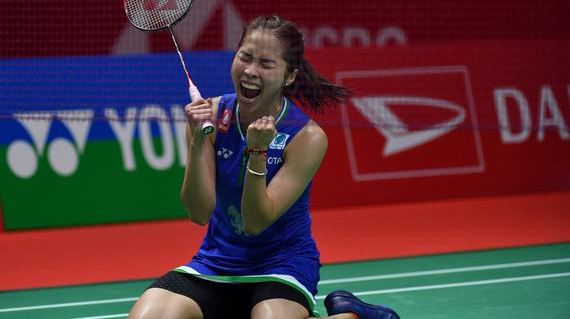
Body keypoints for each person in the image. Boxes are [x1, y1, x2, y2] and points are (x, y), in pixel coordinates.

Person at [128, 16, 400, 319]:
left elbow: (256, 222)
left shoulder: (307, 138)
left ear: (289, 76)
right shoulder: (211, 117)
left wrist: (258, 152)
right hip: (216, 264)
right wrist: (197, 140)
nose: (250, 71)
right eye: (245, 57)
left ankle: (355, 316)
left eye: (266, 64)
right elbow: (199, 212)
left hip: (282, 266)